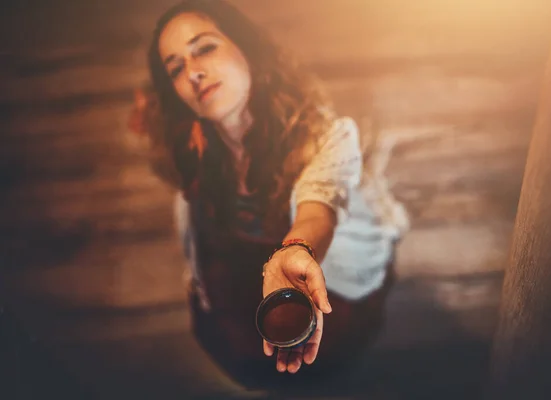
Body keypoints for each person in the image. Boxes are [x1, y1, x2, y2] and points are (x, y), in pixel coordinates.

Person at [128, 0, 410, 389]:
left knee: (322, 347)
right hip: (237, 266)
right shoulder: (189, 150)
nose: (193, 72)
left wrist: (296, 248)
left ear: (247, 49)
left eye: (205, 48)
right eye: (175, 68)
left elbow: (318, 207)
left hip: (316, 273)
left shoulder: (326, 138)